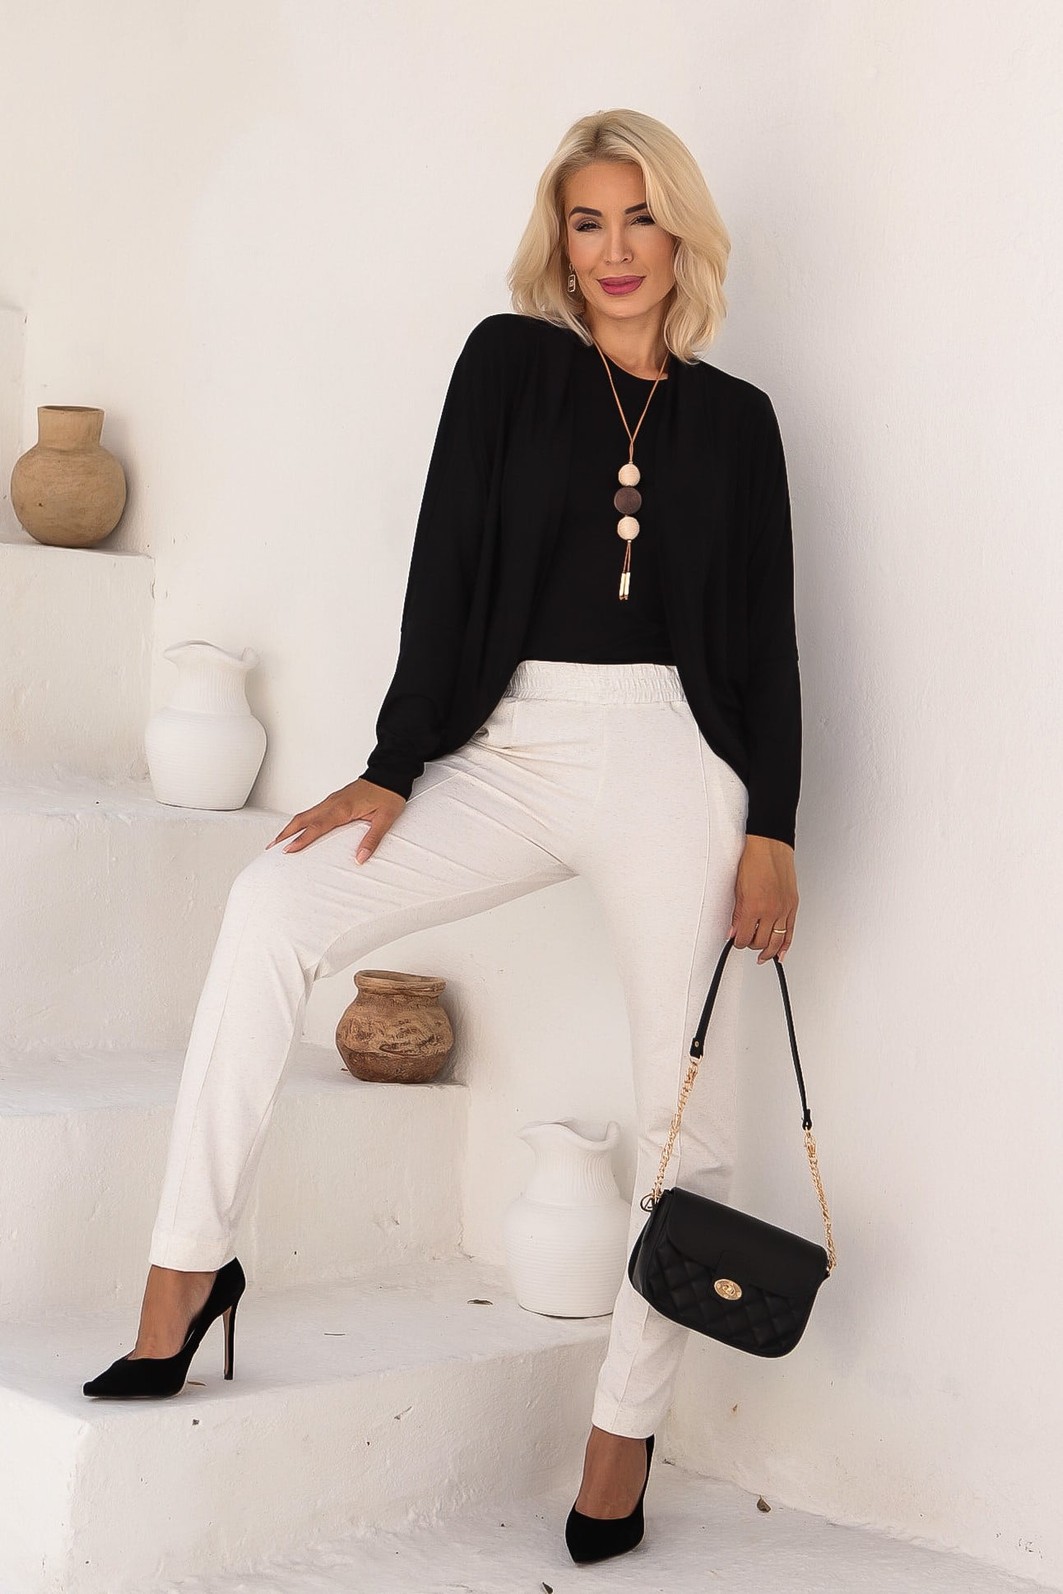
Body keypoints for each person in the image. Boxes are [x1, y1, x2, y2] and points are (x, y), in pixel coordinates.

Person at [82, 107, 801, 1567]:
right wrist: (395, 764)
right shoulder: (510, 365)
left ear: (682, 237)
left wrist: (774, 824)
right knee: (271, 907)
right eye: (588, 222)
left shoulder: (739, 422)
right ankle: (185, 1271)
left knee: (690, 1106)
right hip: (508, 741)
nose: (616, 250)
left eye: (641, 219)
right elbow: (445, 559)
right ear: (562, 240)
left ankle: (622, 1432)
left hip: (676, 758)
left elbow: (768, 639)